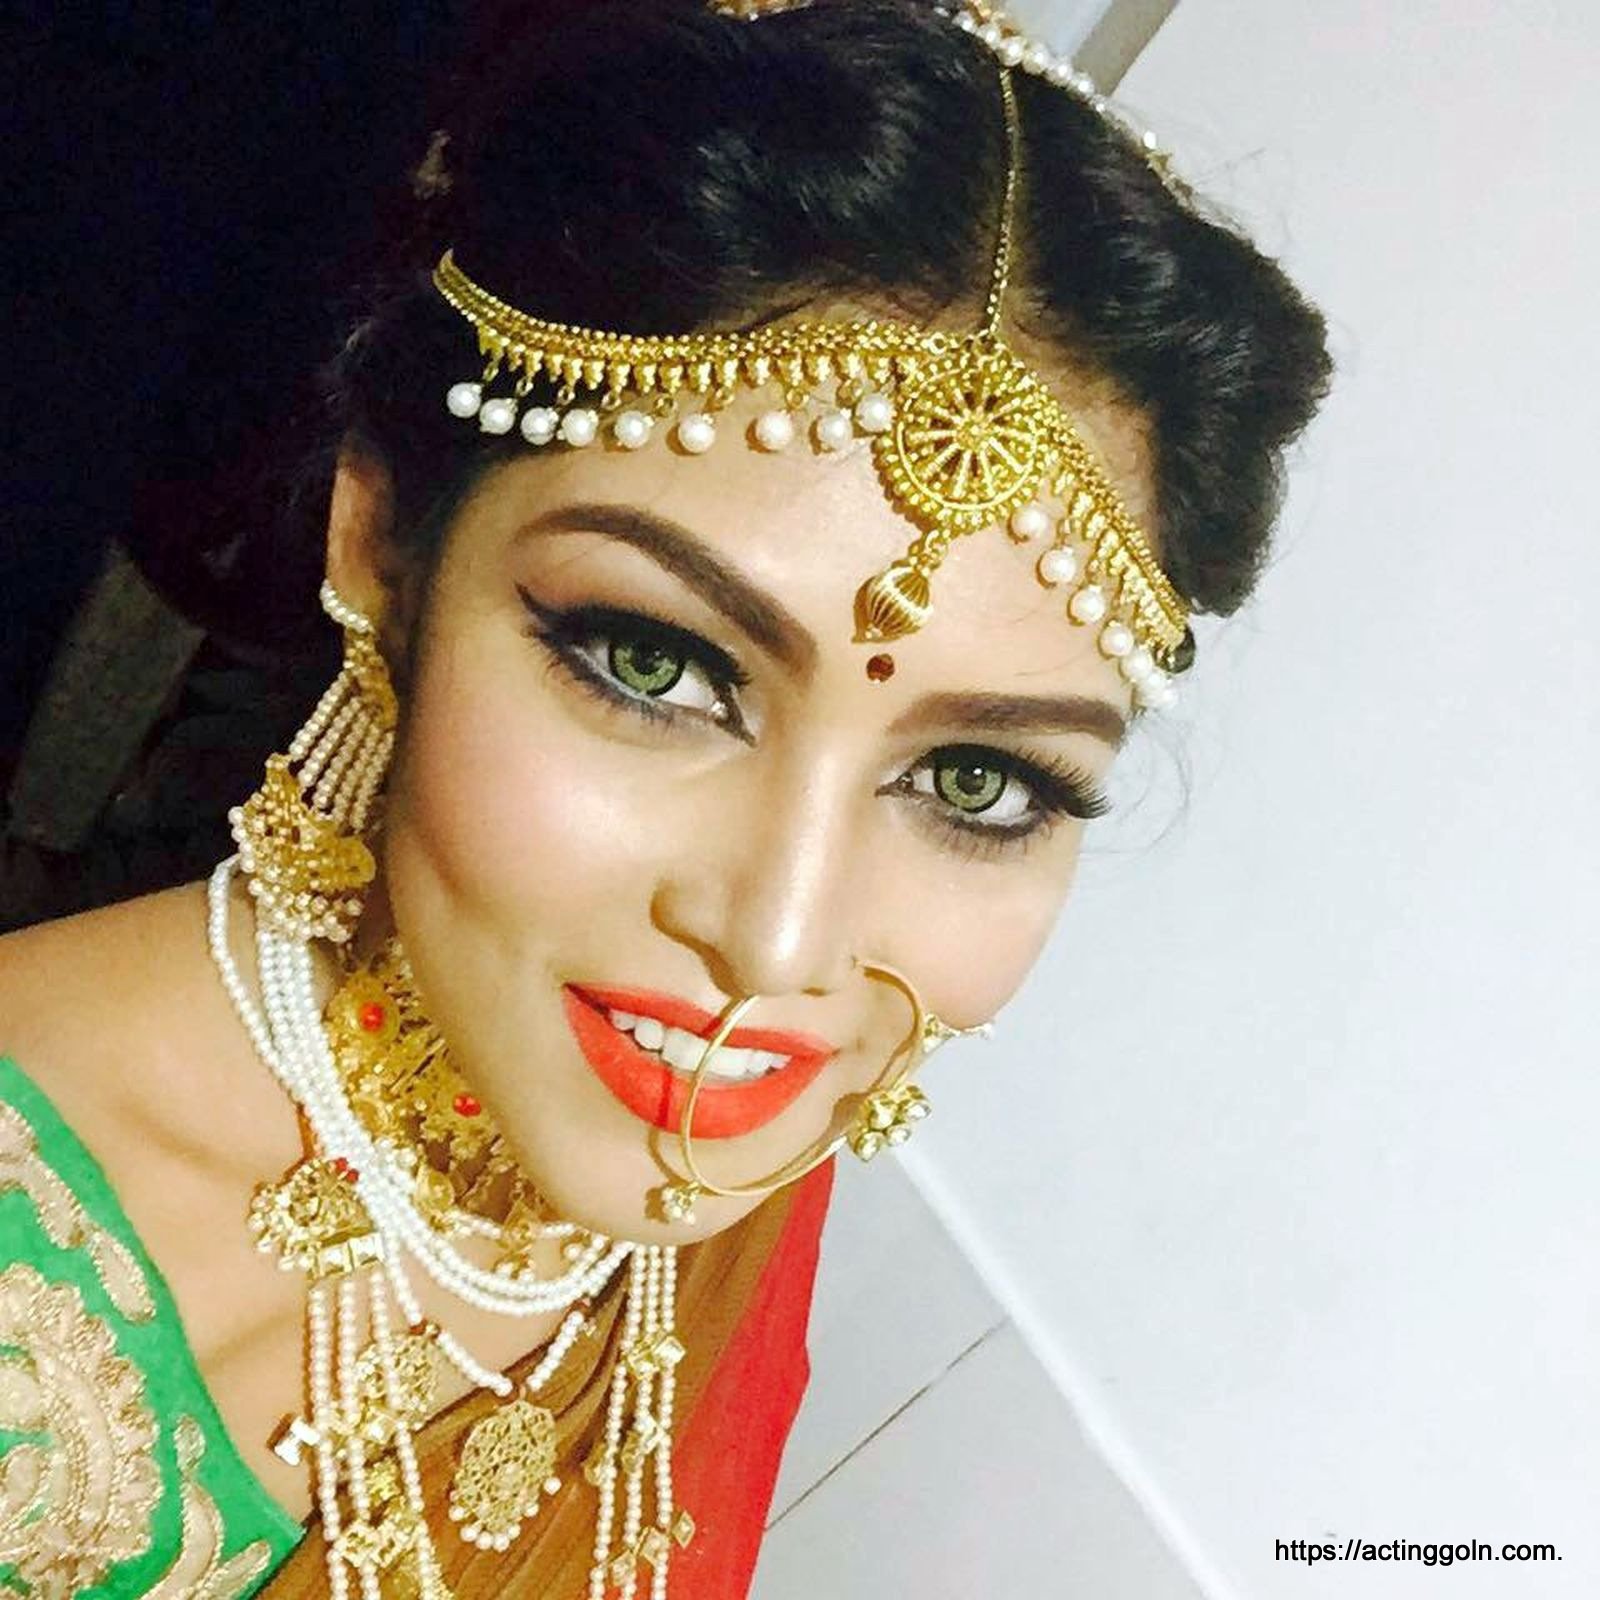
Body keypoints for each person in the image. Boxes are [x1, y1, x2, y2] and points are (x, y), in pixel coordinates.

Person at [0, 1, 1332, 1595]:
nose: (778, 941)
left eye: (975, 781)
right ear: (382, 545)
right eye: (656, 665)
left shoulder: (709, 1132)